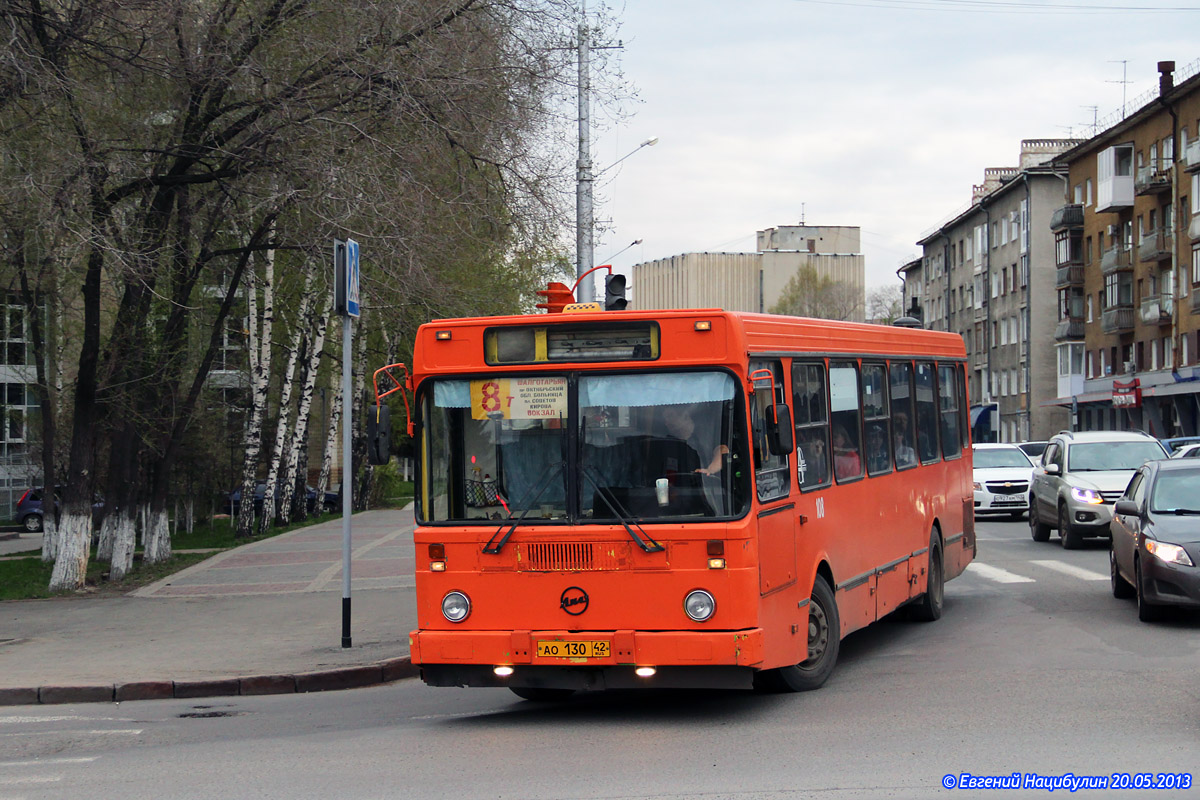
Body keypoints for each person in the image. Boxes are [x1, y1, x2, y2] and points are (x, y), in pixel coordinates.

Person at [662, 404, 728, 476]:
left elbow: (722, 450)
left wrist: (710, 470)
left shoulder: (706, 433)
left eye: (670, 416)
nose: (666, 422)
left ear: (685, 415)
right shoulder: (669, 443)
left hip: (710, 484)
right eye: (664, 419)